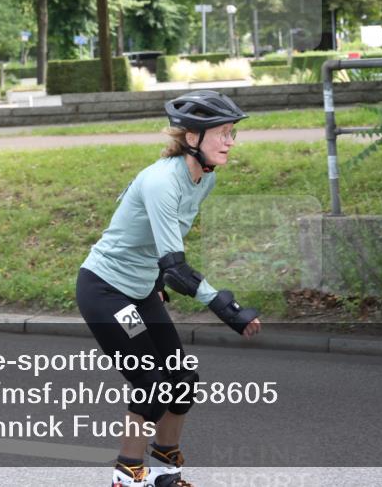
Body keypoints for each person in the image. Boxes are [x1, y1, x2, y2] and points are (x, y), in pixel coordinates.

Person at [76, 90, 262, 487]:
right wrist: (226, 308)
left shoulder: (203, 178)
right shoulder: (162, 181)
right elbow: (176, 268)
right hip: (107, 291)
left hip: (142, 290)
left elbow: (164, 240)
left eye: (232, 133)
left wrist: (157, 282)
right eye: (223, 133)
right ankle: (127, 474)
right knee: (152, 383)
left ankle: (166, 472)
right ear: (192, 137)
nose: (230, 141)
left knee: (182, 381)